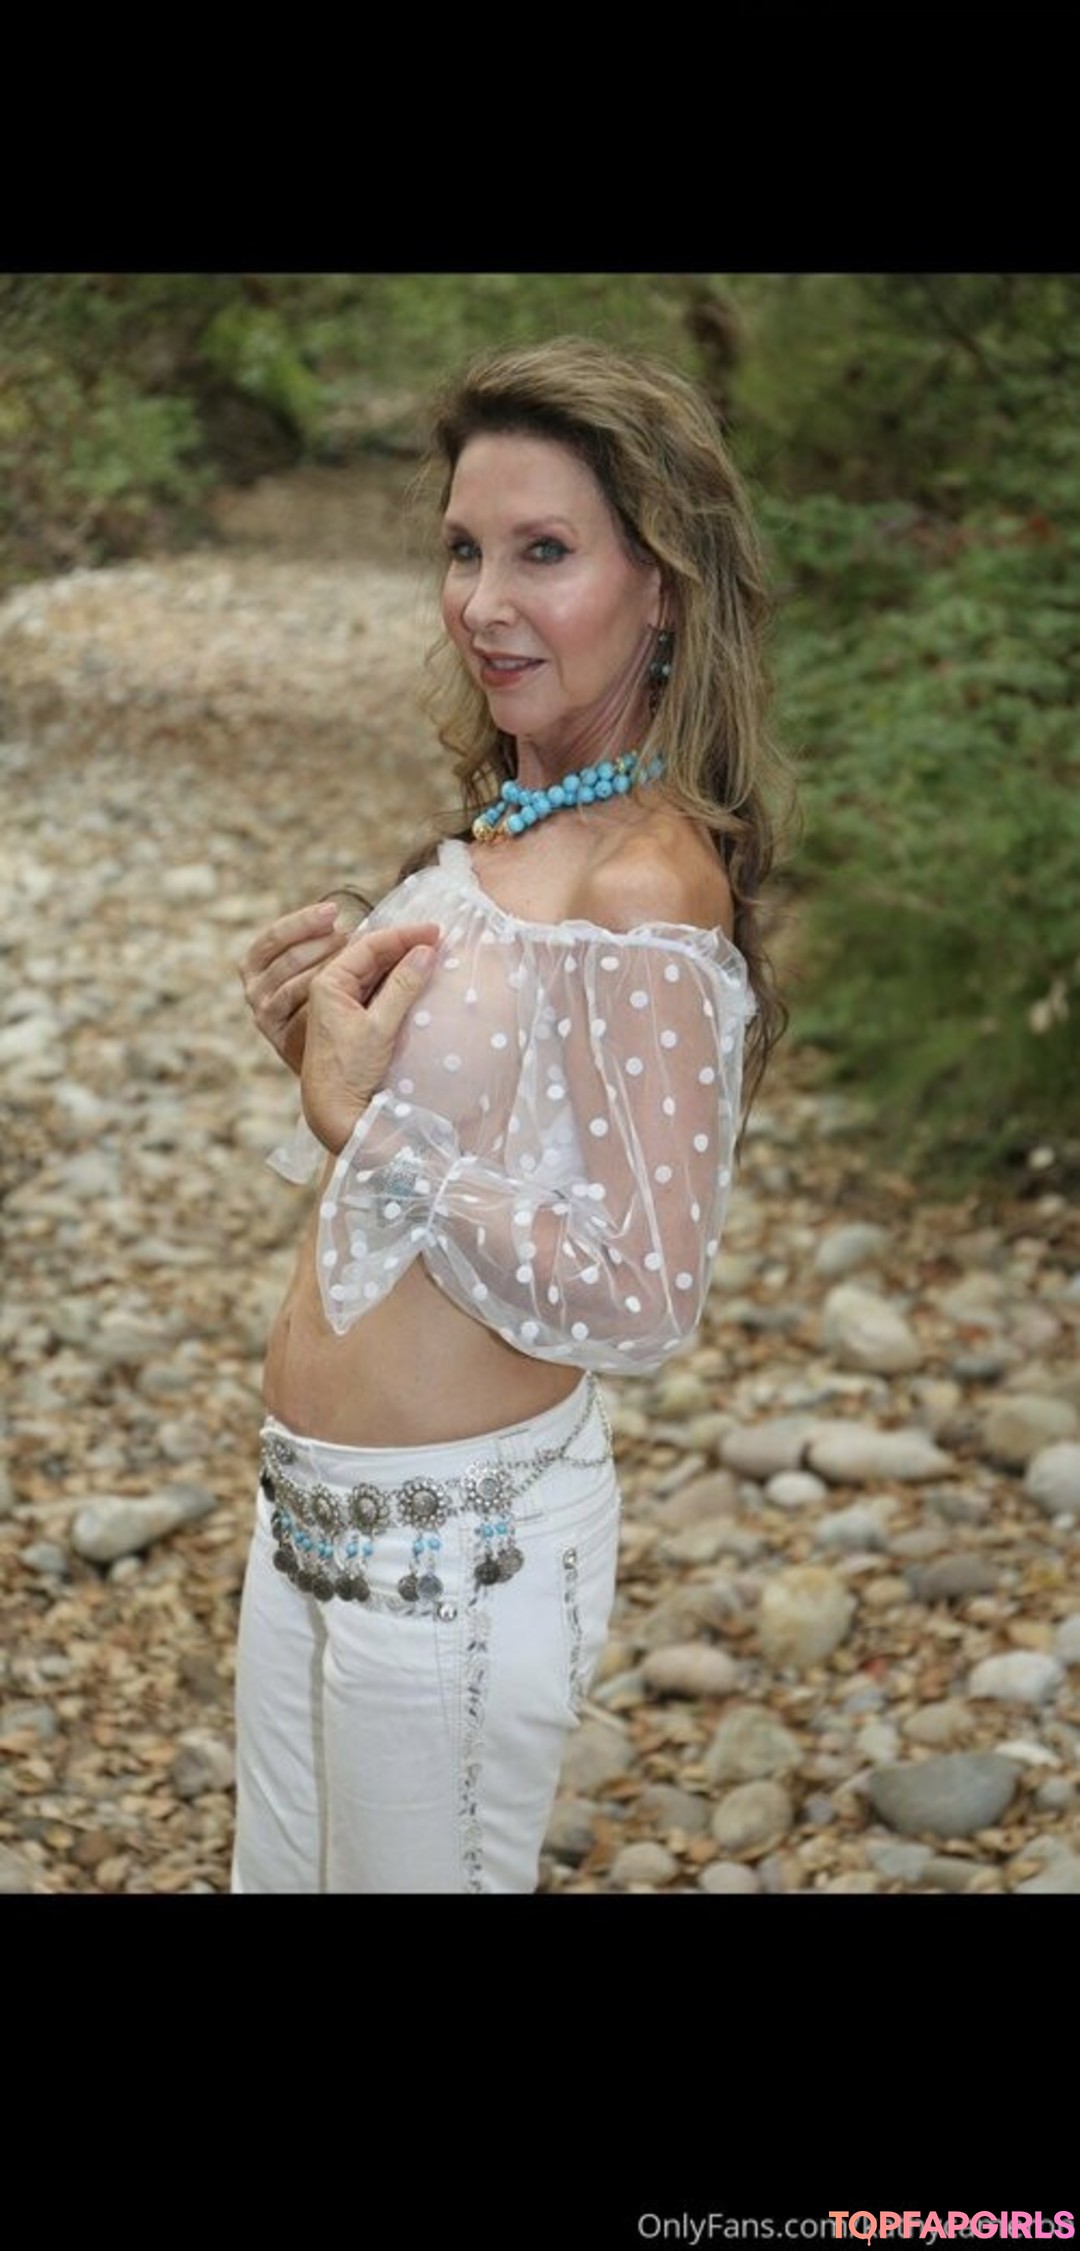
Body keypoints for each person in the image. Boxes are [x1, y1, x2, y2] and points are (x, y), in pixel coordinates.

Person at [232, 335, 787, 1894]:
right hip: (308, 1521)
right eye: (464, 550)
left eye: (544, 552)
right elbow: (438, 1149)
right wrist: (317, 1047)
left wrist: (368, 1130)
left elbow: (642, 1293)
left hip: (456, 1564)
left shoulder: (644, 888)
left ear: (661, 586)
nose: (483, 602)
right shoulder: (502, 830)